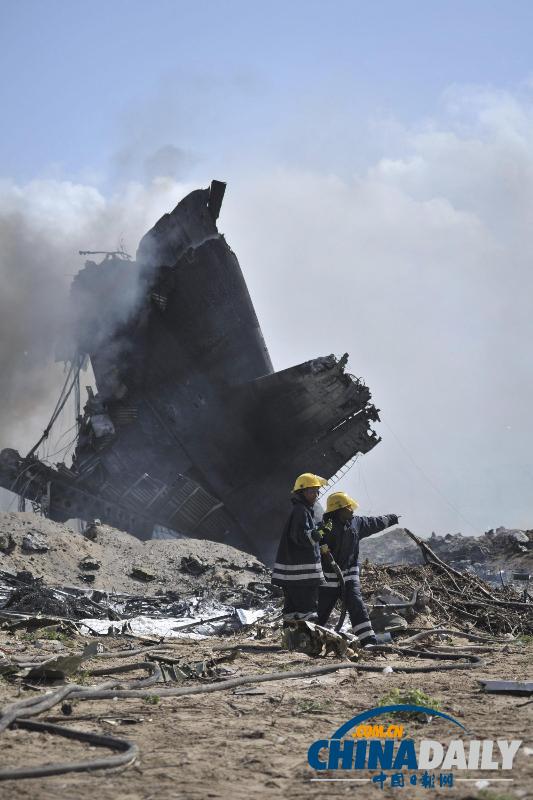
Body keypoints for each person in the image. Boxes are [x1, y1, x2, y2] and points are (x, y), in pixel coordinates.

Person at [318, 492, 399, 645]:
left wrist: (392, 518)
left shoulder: (357, 523)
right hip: (329, 578)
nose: (352, 509)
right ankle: (311, 638)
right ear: (338, 510)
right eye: (348, 507)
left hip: (349, 575)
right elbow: (310, 543)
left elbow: (375, 522)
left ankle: (367, 641)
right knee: (321, 610)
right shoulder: (324, 527)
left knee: (357, 606)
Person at [271, 473, 330, 624]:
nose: (315, 495)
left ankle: (290, 636)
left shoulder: (303, 510)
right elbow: (301, 537)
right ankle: (307, 638)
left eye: (317, 491)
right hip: (302, 578)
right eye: (311, 491)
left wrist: (319, 529)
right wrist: (319, 532)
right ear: (301, 492)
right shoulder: (301, 511)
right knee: (307, 612)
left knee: (291, 613)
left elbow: (304, 534)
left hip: (294, 578)